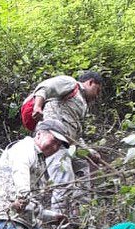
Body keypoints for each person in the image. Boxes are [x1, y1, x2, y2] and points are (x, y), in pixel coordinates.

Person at [29, 71, 103, 215]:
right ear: (90, 82)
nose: (97, 95)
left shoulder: (82, 104)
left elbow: (75, 136)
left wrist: (90, 153)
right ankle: (59, 222)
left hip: (68, 144)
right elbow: (44, 87)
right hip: (53, 139)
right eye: (97, 90)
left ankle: (81, 216)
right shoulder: (70, 83)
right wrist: (37, 107)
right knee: (64, 180)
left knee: (82, 168)